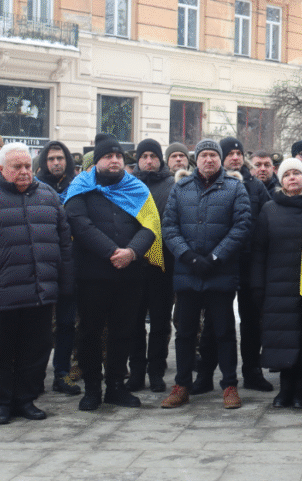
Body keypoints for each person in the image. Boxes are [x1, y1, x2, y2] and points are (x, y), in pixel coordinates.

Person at [0, 142, 73, 424]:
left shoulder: (47, 195)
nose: (24, 172)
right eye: (16, 167)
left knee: (36, 348)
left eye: (27, 167)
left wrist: (65, 285)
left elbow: (64, 246)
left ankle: (25, 399)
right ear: (1, 168)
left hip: (40, 291)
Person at [64, 135, 161, 411]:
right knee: (90, 332)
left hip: (129, 274)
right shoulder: (80, 188)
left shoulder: (137, 188)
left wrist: (131, 252)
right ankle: (92, 388)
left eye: (118, 156)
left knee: (124, 331)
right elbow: (79, 225)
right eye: (108, 156)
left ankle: (116, 386)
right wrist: (112, 252)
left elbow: (151, 225)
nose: (115, 160)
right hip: (92, 275)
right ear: (97, 162)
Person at [160, 139, 251, 409]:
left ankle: (230, 386)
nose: (209, 160)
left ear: (220, 160)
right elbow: (169, 226)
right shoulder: (181, 188)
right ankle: (181, 385)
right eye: (204, 156)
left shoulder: (235, 188)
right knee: (185, 332)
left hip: (219, 272)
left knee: (224, 332)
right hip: (188, 272)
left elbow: (242, 226)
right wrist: (187, 256)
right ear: (195, 160)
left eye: (213, 155)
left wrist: (215, 257)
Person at [192, 136, 273, 393]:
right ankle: (205, 374)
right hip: (220, 263)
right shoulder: (207, 185)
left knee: (251, 321)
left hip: (250, 264)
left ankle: (252, 371)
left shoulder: (256, 186)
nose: (236, 157)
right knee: (216, 323)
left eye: (239, 153)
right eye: (230, 153)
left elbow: (264, 223)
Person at [251, 158, 302, 408]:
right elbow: (259, 251)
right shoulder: (270, 209)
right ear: (281, 180)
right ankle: (285, 389)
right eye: (287, 174)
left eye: (297, 173)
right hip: (277, 286)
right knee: (282, 338)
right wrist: (258, 285)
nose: (292, 178)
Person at [124, 139, 176, 393]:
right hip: (134, 265)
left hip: (163, 265)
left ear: (160, 159)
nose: (148, 160)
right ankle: (136, 371)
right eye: (143, 156)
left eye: (153, 155)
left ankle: (156, 371)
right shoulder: (127, 184)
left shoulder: (172, 185)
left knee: (160, 321)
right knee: (134, 321)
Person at [35, 140, 81, 395]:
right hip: (41, 265)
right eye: (51, 159)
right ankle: (34, 374)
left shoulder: (78, 187)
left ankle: (62, 374)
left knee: (66, 324)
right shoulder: (33, 188)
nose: (56, 163)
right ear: (44, 162)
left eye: (60, 158)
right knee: (39, 326)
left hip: (70, 266)